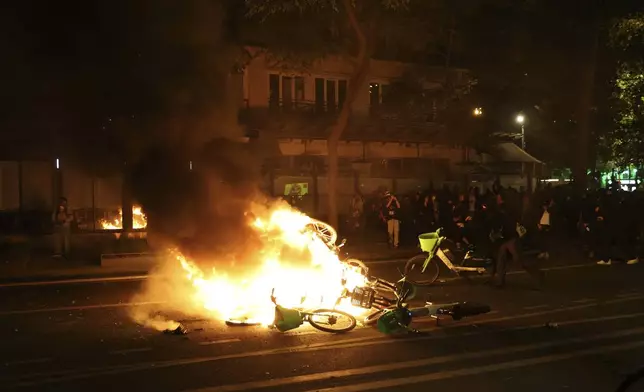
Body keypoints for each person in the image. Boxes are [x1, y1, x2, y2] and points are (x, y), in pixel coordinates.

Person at [490, 196, 544, 289]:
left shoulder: (525, 212)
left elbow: (521, 227)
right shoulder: (519, 211)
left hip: (517, 239)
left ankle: (537, 275)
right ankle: (500, 279)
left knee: (517, 258)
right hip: (514, 238)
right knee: (503, 254)